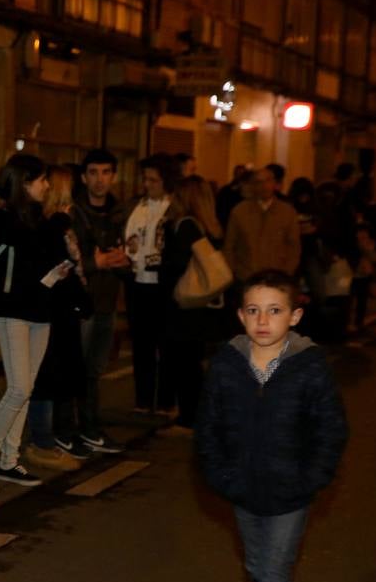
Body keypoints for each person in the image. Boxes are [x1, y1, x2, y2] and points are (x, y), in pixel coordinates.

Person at [196, 269, 348, 582]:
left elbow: (331, 429)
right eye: (254, 311)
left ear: (295, 316)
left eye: (275, 311)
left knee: (276, 572)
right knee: (257, 568)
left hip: (290, 493)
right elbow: (207, 427)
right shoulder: (226, 365)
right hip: (242, 489)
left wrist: (310, 479)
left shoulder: (310, 367)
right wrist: (221, 476)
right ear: (241, 317)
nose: (264, 320)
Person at [0, 154, 70, 491]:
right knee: (17, 388)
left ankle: (9, 460)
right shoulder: (1, 217)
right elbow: (16, 249)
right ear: (24, 182)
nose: (46, 186)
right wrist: (54, 227)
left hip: (40, 310)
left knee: (26, 389)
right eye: (41, 180)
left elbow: (46, 256)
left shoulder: (41, 219)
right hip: (11, 308)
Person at [25, 166, 87, 472]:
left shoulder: (57, 224)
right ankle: (42, 441)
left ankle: (51, 438)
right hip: (52, 312)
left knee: (53, 377)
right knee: (45, 378)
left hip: (60, 311)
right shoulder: (51, 226)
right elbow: (61, 269)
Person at [67, 149, 129, 455]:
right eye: (93, 172)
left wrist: (121, 260)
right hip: (82, 303)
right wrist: (97, 262)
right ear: (83, 176)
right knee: (76, 369)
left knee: (94, 370)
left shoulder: (121, 213)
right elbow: (71, 259)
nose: (100, 179)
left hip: (107, 300)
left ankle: (89, 427)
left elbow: (131, 256)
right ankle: (74, 430)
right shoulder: (73, 213)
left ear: (113, 176)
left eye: (106, 172)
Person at [159, 175, 224, 433]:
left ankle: (189, 418)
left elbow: (176, 264)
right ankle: (196, 414)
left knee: (184, 363)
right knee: (193, 362)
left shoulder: (185, 226)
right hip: (202, 305)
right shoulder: (209, 226)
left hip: (184, 305)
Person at [124, 153, 178, 416]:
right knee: (142, 344)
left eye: (153, 180)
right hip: (138, 283)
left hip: (164, 286)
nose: (147, 185)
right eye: (145, 179)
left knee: (166, 344)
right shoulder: (138, 207)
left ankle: (167, 400)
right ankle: (143, 399)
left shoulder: (175, 208)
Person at [224, 166, 301, 284]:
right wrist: (235, 271)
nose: (264, 186)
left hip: (277, 277)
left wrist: (287, 272)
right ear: (253, 186)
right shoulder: (239, 212)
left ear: (274, 184)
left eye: (268, 181)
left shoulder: (287, 212)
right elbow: (230, 245)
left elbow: (294, 246)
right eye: (259, 182)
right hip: (246, 276)